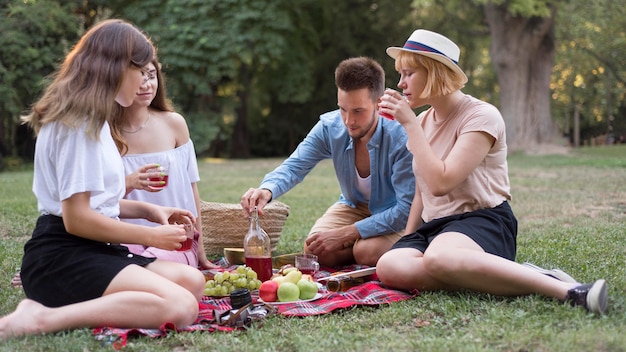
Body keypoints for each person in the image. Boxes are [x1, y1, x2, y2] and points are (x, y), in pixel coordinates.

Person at [375, 29, 608, 314]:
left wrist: (409, 125)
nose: (401, 83)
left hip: (482, 221)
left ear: (434, 72)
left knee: (439, 258)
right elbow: (423, 190)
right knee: (389, 266)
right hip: (436, 228)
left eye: (409, 73)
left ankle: (562, 288)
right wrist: (409, 238)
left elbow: (441, 182)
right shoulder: (423, 121)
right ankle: (498, 273)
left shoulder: (481, 116)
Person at [0, 19, 206, 340]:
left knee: (192, 281)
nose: (143, 82)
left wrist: (152, 213)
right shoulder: (77, 126)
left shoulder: (96, 122)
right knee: (181, 307)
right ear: (115, 68)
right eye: (139, 71)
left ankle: (113, 301)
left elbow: (99, 204)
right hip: (61, 257)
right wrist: (151, 237)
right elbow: (77, 219)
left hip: (95, 249)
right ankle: (42, 317)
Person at [241, 57, 415, 267]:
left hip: (394, 212)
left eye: (358, 111)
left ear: (379, 103)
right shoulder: (330, 127)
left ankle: (371, 248)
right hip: (354, 206)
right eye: (343, 108)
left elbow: (406, 209)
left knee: (367, 252)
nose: (348, 121)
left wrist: (347, 234)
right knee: (315, 250)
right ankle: (363, 248)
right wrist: (267, 190)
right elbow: (295, 165)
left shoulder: (401, 135)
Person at [110, 57, 218, 270]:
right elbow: (97, 200)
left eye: (151, 75)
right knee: (124, 269)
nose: (146, 84)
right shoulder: (104, 133)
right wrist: (129, 182)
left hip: (175, 240)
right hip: (123, 238)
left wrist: (201, 253)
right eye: (138, 76)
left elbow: (191, 191)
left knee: (146, 270)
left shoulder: (174, 123)